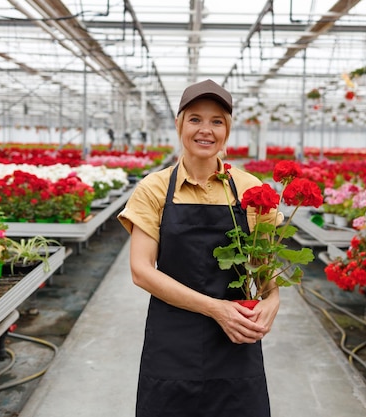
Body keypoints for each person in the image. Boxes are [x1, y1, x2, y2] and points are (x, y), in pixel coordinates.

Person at [118, 79, 281, 417]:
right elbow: (141, 270)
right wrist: (215, 308)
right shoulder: (155, 188)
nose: (205, 130)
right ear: (179, 124)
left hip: (235, 336)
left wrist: (273, 299)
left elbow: (262, 262)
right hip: (173, 336)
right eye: (195, 119)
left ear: (228, 130)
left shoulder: (249, 188)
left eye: (216, 121)